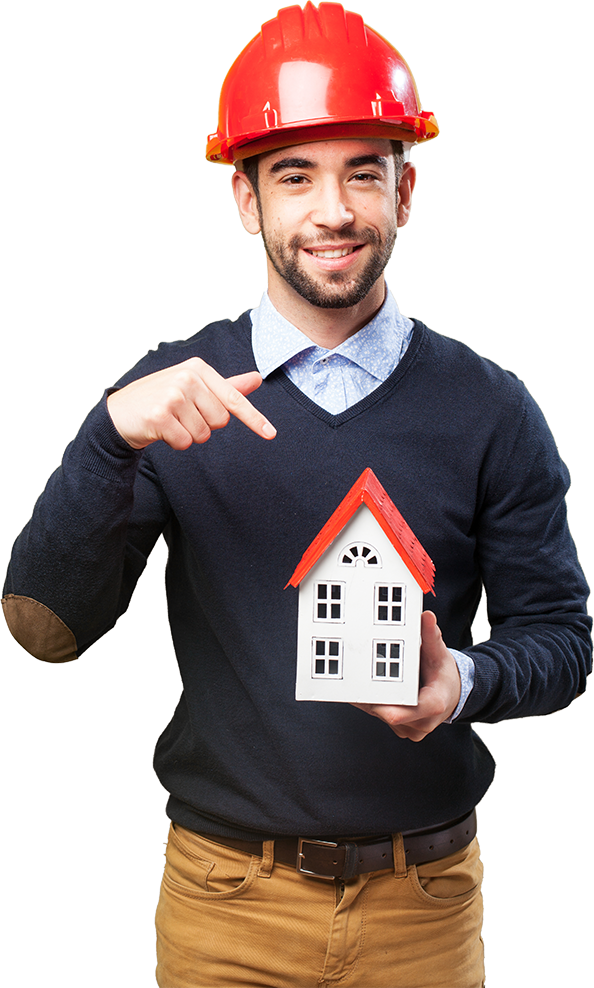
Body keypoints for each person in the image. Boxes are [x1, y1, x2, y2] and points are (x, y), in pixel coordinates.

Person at [2, 4, 591, 987]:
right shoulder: (166, 396)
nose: (332, 210)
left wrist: (464, 687)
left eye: (364, 170)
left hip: (426, 905)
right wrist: (107, 437)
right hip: (223, 902)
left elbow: (565, 644)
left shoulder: (492, 408)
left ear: (406, 189)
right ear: (245, 199)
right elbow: (44, 631)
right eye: (295, 175)